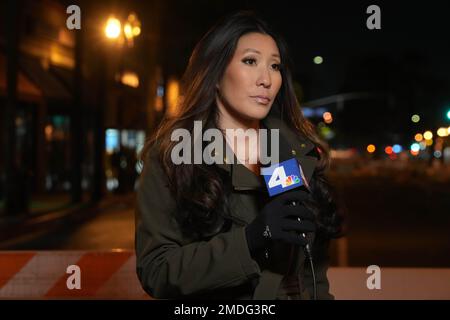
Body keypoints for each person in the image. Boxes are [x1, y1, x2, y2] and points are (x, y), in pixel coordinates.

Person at [135, 11, 343, 300]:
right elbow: (157, 271)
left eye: (275, 66)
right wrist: (250, 240)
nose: (266, 79)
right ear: (216, 74)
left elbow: (313, 278)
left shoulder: (293, 153)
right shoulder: (174, 156)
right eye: (250, 61)